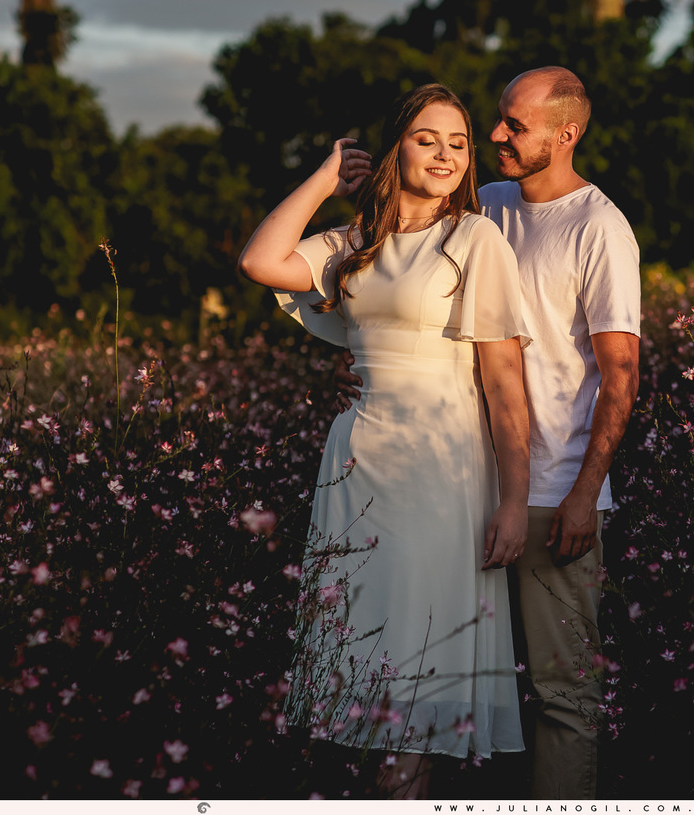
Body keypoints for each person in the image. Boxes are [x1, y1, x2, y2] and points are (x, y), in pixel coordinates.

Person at [336, 67, 641, 799]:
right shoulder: (486, 207)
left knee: (560, 695)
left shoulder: (599, 227)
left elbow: (621, 375)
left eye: (516, 125)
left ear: (567, 134)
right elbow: (397, 288)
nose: (497, 136)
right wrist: (364, 368)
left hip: (548, 494)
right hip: (456, 484)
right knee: (435, 674)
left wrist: (582, 493)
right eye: (497, 122)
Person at [238, 83, 531, 799]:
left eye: (459, 144)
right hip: (359, 462)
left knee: (420, 668)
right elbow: (260, 261)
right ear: (397, 144)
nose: (446, 155)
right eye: (427, 139)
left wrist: (515, 499)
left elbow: (503, 379)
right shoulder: (353, 243)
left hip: (443, 463)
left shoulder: (474, 238)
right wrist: (326, 177)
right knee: (364, 665)